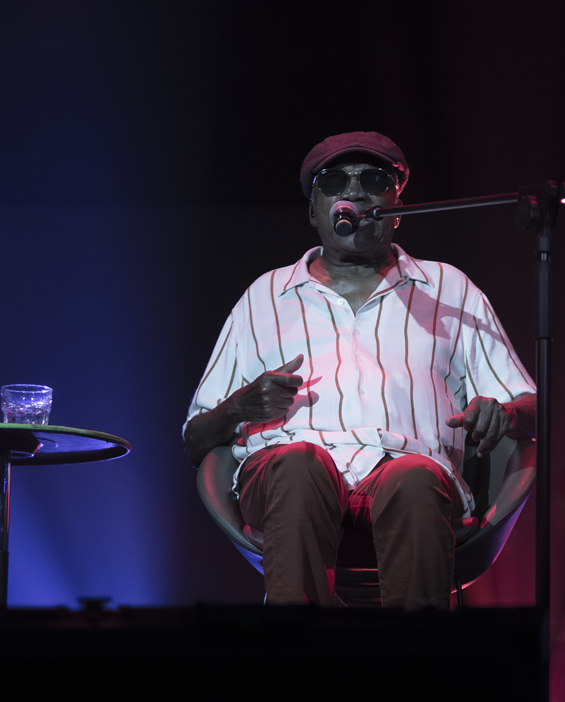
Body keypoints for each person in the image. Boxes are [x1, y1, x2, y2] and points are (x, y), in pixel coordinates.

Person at [183, 131, 536, 609]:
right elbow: (195, 439)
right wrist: (240, 406)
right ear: (314, 210)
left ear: (397, 203)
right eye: (333, 181)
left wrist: (504, 414)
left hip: (409, 474)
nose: (353, 191)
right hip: (287, 474)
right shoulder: (264, 297)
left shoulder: (449, 289)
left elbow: (532, 408)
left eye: (373, 179)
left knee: (414, 476)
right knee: (299, 463)